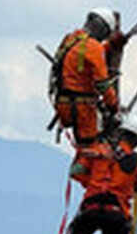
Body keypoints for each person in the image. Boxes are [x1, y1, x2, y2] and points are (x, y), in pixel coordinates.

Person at [51, 8, 122, 146]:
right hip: (82, 109)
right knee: (90, 149)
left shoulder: (71, 39)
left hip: (64, 105)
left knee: (85, 148)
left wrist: (111, 45)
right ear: (103, 29)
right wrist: (114, 107)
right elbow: (103, 85)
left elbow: (85, 56)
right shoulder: (94, 47)